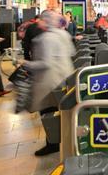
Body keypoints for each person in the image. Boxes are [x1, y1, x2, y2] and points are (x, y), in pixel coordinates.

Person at [20, 10, 75, 156]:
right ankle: (61, 140)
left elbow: (46, 63)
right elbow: (71, 52)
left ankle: (52, 144)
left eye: (41, 20)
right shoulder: (64, 34)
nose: (38, 22)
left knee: (47, 113)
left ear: (45, 21)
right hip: (65, 78)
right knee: (61, 112)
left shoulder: (45, 38)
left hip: (49, 82)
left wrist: (25, 63)